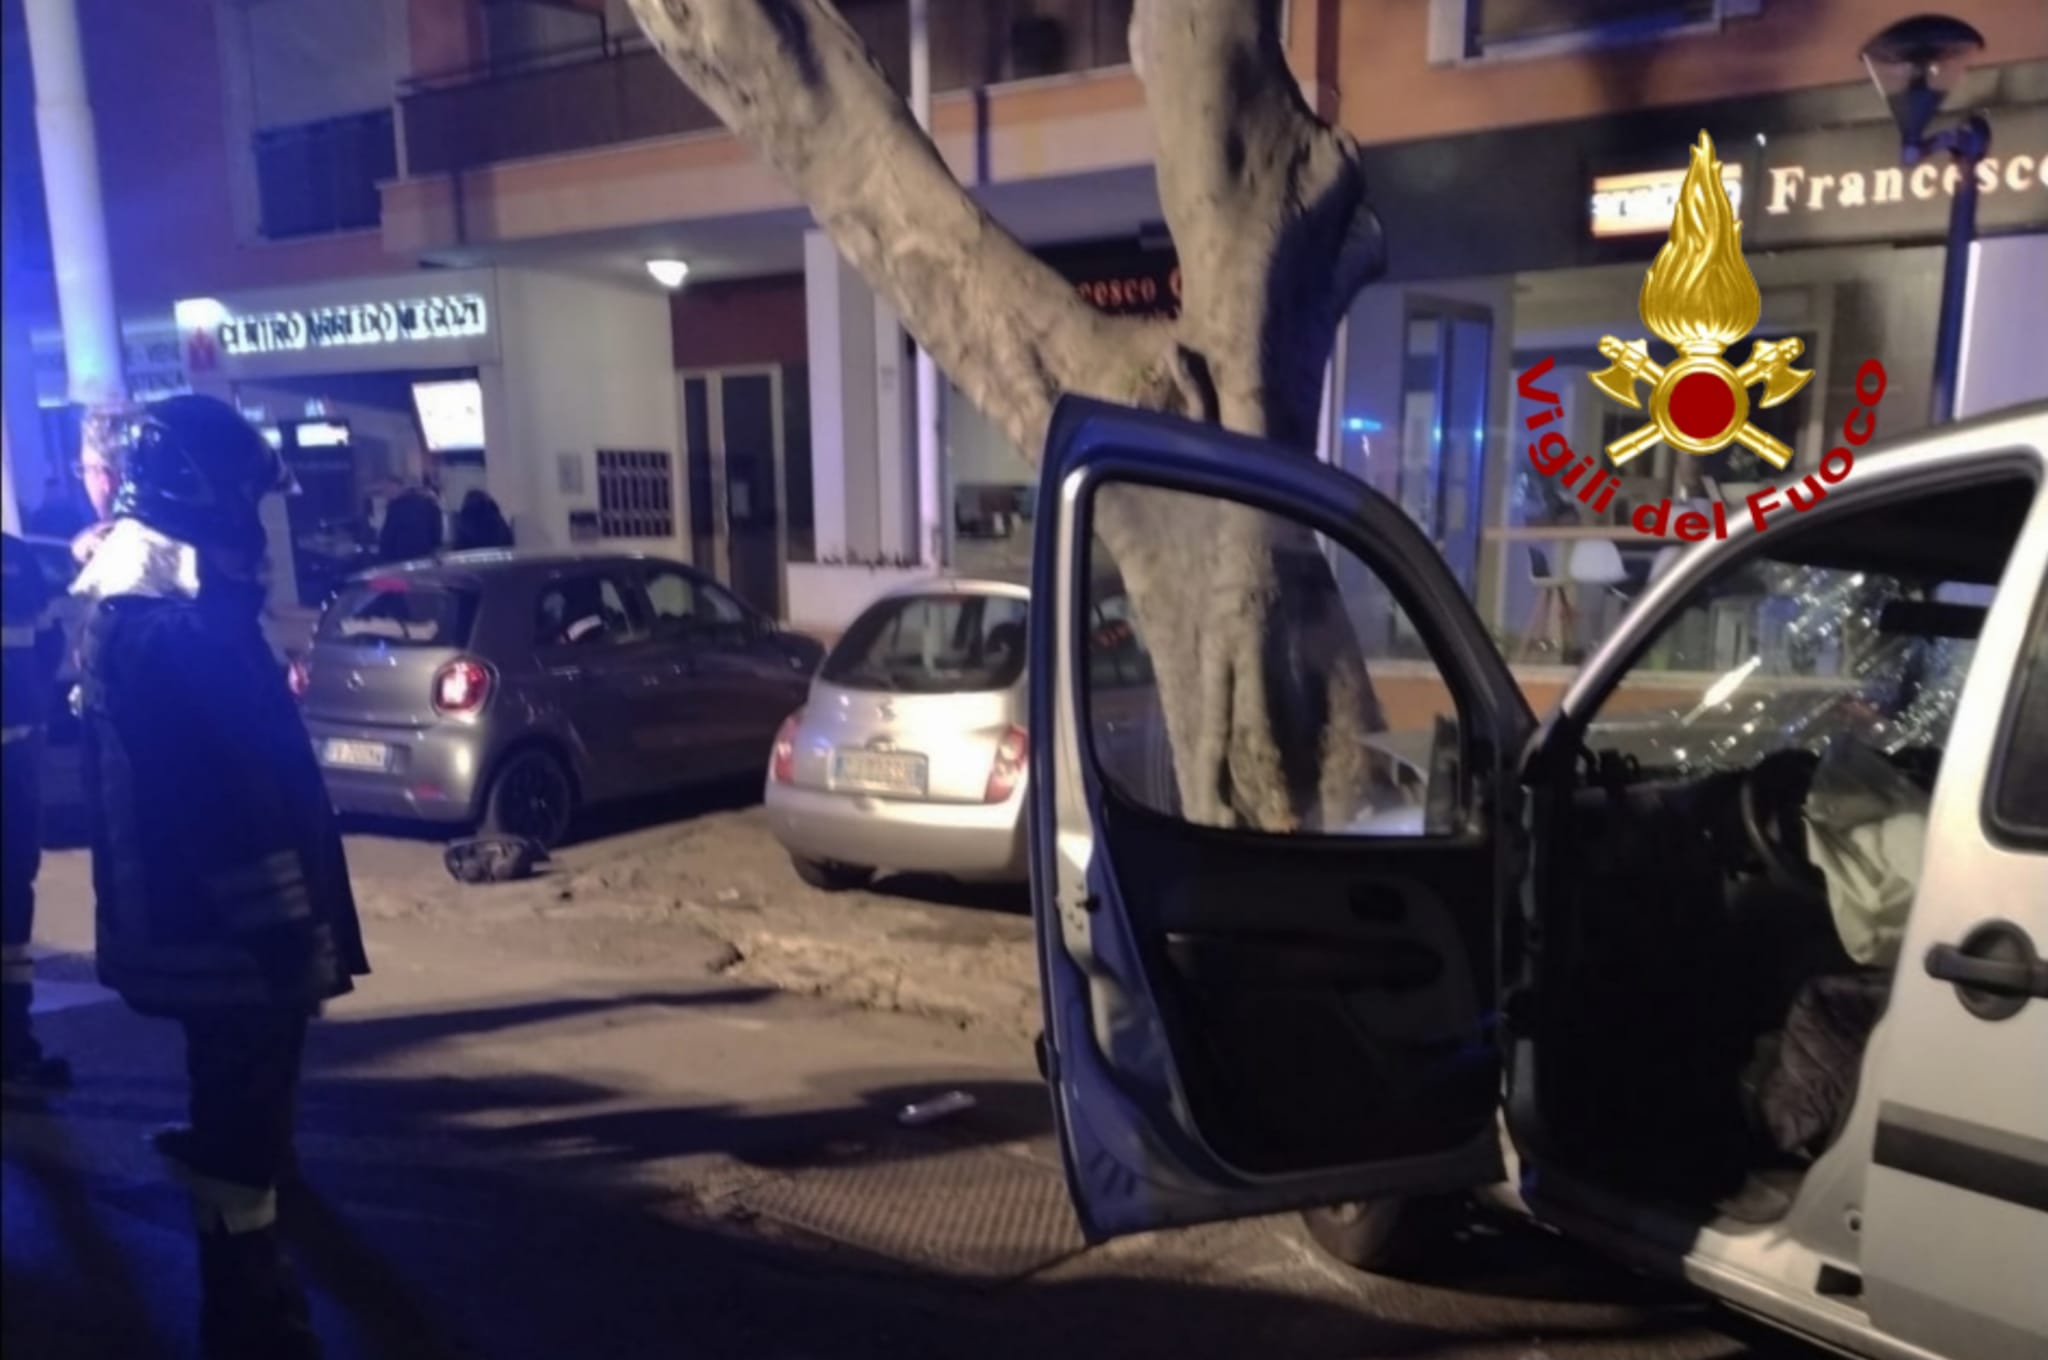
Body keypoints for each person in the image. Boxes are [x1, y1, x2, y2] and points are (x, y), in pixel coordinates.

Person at [78, 395, 369, 1358]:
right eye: (247, 499)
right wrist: (283, 931)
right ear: (202, 498)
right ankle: (250, 1320)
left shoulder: (168, 613)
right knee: (240, 1135)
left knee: (241, 1116)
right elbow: (221, 808)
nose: (258, 527)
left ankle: (247, 1269)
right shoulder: (170, 632)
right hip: (226, 940)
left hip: (216, 933)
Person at [2, 529, 71, 1095]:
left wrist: (31, 710)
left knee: (11, 900)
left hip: (16, 758)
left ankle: (14, 1045)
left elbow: (49, 640)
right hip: (17, 749)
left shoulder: (14, 557)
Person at [376, 484, 443, 564]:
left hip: (401, 558)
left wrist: (383, 558)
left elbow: (387, 538)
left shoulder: (396, 507)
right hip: (425, 555)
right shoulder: (430, 504)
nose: (386, 495)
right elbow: (437, 533)